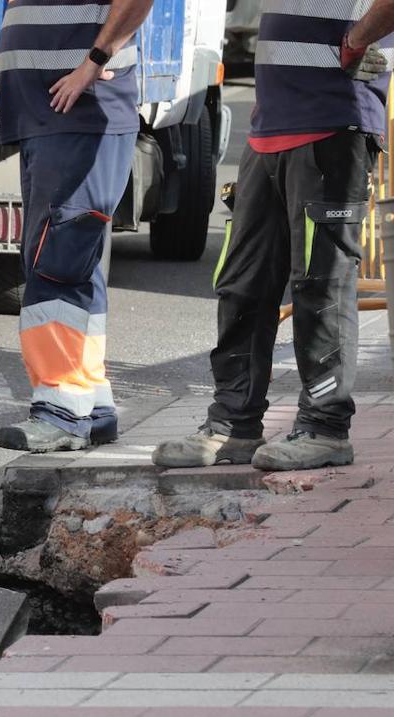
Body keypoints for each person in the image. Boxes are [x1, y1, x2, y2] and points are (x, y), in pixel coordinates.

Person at [154, 0, 394, 472]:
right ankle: (232, 424)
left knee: (320, 283)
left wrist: (357, 40)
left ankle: (324, 429)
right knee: (243, 281)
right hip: (270, 127)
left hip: (331, 121)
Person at [0, 0, 155, 453]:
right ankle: (92, 402)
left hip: (81, 113)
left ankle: (61, 411)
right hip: (48, 117)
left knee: (57, 263)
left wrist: (94, 61)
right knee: (72, 262)